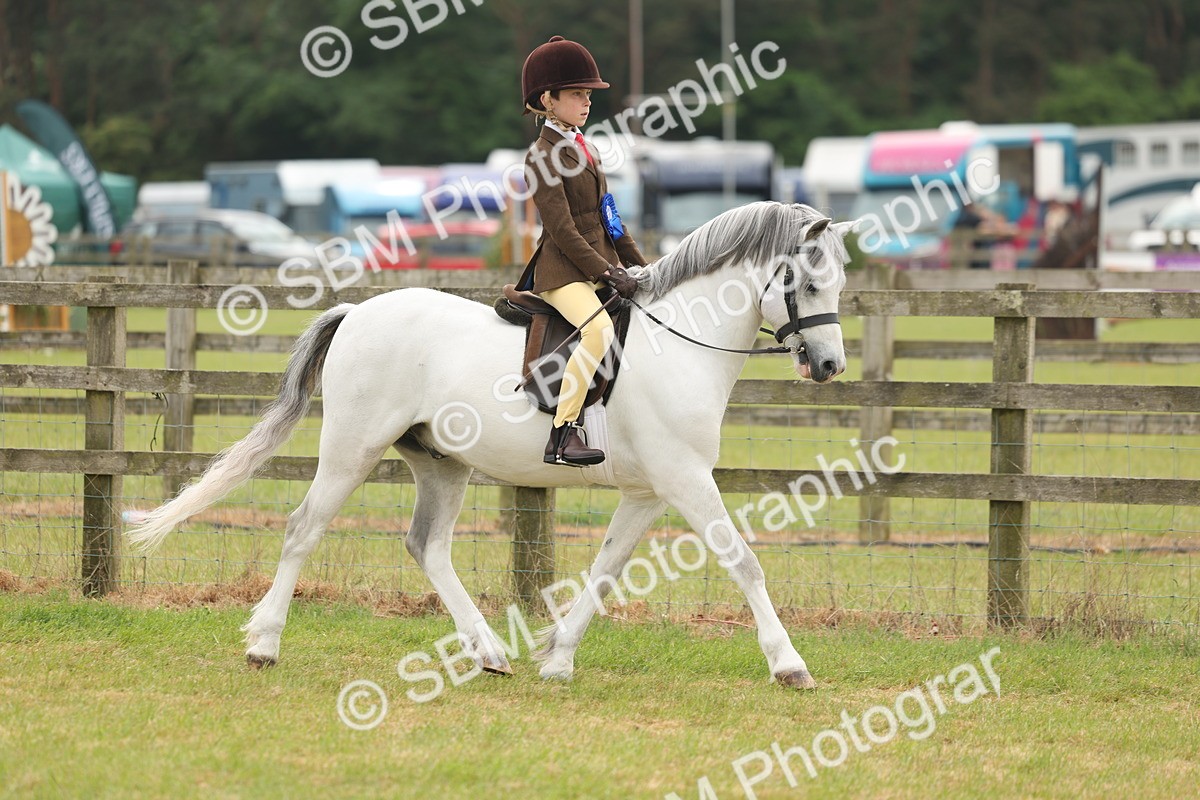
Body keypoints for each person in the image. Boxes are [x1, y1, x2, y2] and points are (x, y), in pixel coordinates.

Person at [518, 36, 648, 467]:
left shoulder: (586, 148)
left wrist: (643, 267)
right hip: (562, 272)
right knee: (597, 333)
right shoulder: (541, 155)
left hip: (599, 263)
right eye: (577, 94)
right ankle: (563, 433)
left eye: (588, 95)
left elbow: (608, 218)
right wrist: (609, 273)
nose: (586, 102)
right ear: (548, 100)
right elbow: (563, 230)